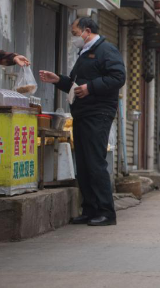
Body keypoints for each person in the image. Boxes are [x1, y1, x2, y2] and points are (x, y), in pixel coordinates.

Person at [40, 17, 126, 227]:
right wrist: (58, 80)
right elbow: (76, 85)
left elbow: (118, 77)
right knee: (84, 164)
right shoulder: (85, 53)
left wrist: (91, 88)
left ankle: (106, 212)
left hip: (98, 113)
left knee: (95, 162)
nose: (73, 38)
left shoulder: (106, 50)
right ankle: (90, 209)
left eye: (74, 33)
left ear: (87, 31)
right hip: (82, 113)